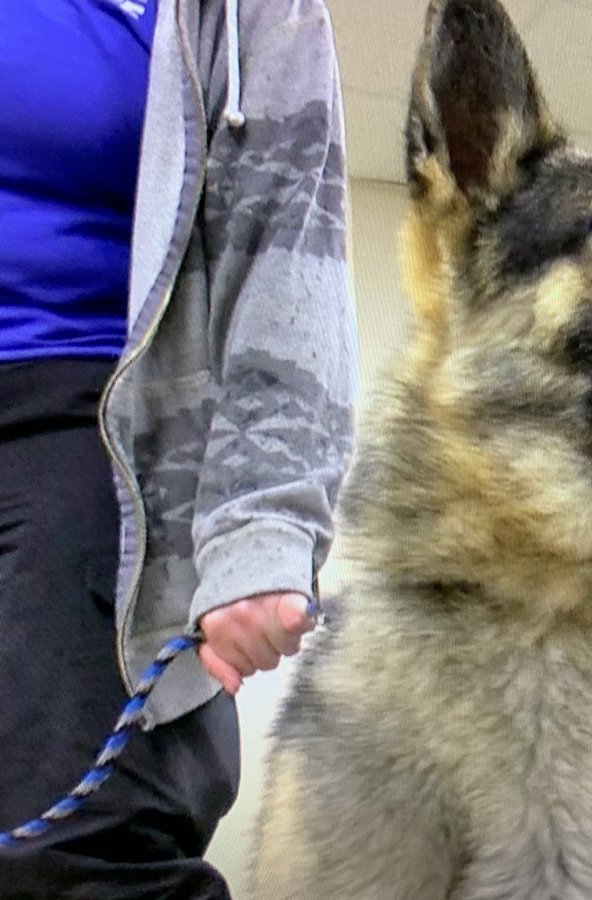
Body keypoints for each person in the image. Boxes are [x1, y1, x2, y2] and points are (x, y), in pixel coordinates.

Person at [0, 0, 356, 896]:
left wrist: (263, 530)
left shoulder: (242, 16)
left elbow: (286, 250)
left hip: (94, 429)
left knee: (75, 864)